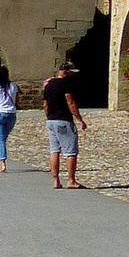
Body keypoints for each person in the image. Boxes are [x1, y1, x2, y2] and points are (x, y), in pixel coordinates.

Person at [42, 61, 88, 189]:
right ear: (66, 72)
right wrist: (80, 119)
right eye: (72, 73)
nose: (73, 75)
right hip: (64, 120)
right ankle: (71, 180)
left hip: (51, 121)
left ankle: (56, 180)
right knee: (70, 151)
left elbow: (45, 105)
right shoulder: (67, 85)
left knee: (54, 150)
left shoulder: (48, 85)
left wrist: (49, 116)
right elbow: (71, 102)